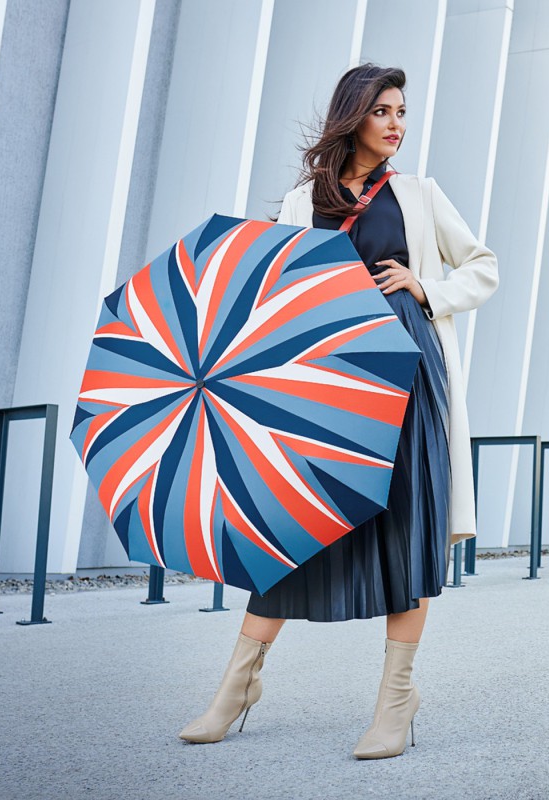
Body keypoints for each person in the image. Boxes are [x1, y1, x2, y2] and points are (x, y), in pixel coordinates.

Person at [178, 63, 499, 759]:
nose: (395, 123)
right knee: (296, 523)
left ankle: (395, 704)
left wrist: (427, 286)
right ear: (353, 114)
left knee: (407, 526)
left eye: (401, 111)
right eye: (382, 110)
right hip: (327, 381)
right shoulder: (303, 202)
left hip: (409, 369)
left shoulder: (418, 193)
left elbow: (484, 265)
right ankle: (236, 689)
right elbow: (269, 290)